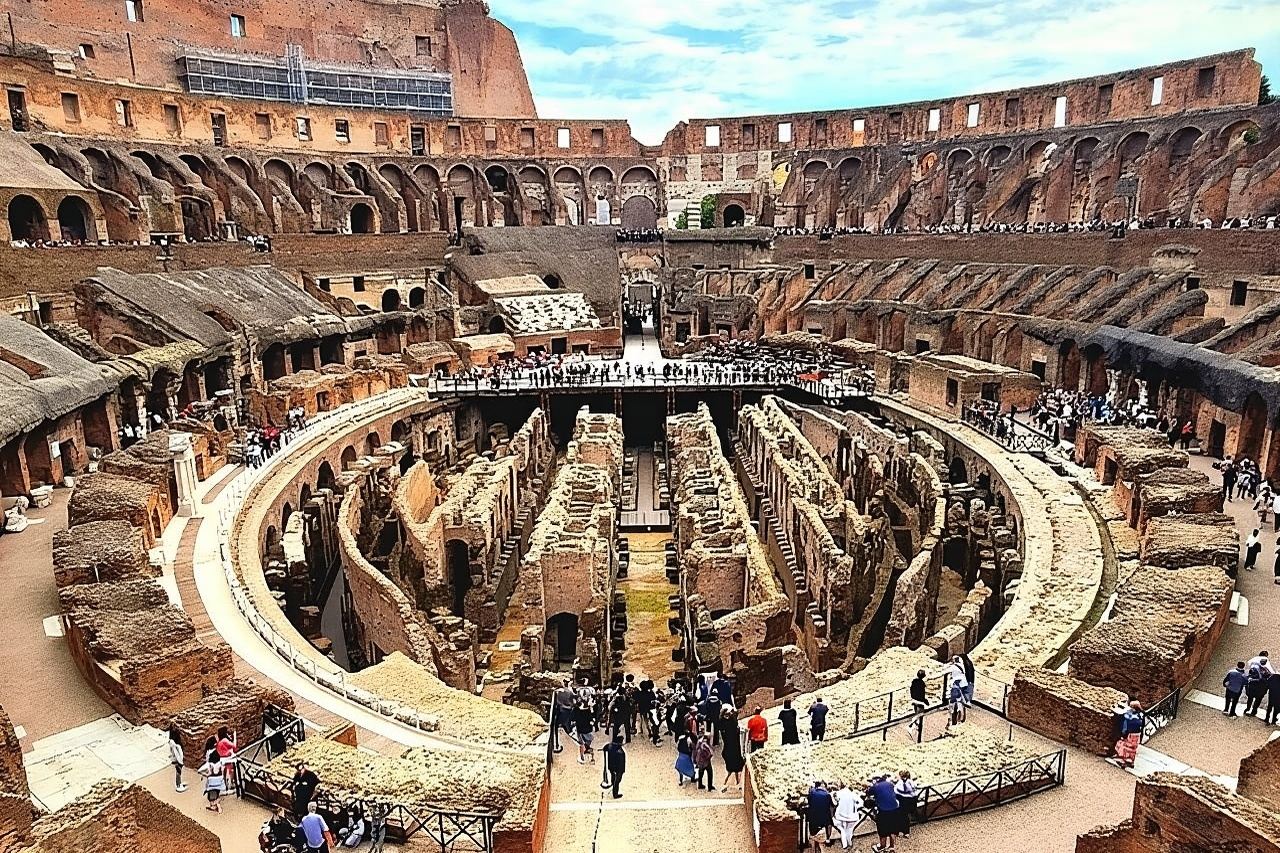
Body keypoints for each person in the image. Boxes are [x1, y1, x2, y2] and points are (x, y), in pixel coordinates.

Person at [867, 773, 900, 851]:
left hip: (883, 810)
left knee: (882, 828)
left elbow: (868, 792)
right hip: (895, 808)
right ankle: (892, 846)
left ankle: (882, 846)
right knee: (893, 827)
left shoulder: (875, 786)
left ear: (875, 780)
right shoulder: (890, 784)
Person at [719, 707, 745, 792]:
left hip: (729, 748)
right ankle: (735, 784)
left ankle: (730, 783)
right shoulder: (732, 722)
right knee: (736, 769)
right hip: (734, 748)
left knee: (731, 770)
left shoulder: (722, 723)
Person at [832, 780, 862, 850]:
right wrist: (855, 808)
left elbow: (834, 803)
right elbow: (861, 802)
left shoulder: (838, 793)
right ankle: (849, 842)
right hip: (852, 816)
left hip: (840, 816)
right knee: (849, 829)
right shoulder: (853, 794)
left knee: (842, 830)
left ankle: (845, 844)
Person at [805, 781, 835, 851]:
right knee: (829, 824)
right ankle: (828, 839)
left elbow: (808, 801)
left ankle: (811, 836)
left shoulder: (812, 793)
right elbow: (832, 805)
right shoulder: (827, 795)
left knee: (811, 818)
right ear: (824, 787)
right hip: (824, 817)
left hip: (813, 816)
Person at [1114, 701, 1144, 769]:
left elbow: (1126, 726)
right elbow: (1142, 726)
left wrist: (1123, 733)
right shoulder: (1140, 715)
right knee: (1132, 748)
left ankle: (1123, 761)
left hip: (1130, 734)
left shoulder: (1129, 716)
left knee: (1125, 746)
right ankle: (1131, 761)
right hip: (1137, 735)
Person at [552, 680, 576, 753]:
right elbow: (573, 703)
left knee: (555, 727)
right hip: (567, 711)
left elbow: (555, 703)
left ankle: (556, 745)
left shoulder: (556, 692)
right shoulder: (569, 692)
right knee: (568, 727)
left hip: (560, 711)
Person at [894, 770, 919, 837]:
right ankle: (906, 832)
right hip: (910, 801)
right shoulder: (911, 782)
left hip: (903, 801)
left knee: (902, 817)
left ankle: (900, 831)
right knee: (906, 817)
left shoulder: (901, 782)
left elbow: (897, 790)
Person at [575, 699, 596, 764]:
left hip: (580, 729)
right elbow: (592, 719)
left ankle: (582, 757)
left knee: (581, 744)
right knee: (589, 739)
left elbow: (573, 718)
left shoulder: (577, 711)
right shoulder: (588, 711)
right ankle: (586, 748)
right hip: (587, 729)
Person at [909, 669, 929, 738]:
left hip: (913, 699)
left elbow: (911, 690)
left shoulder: (914, 681)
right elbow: (922, 694)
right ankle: (911, 726)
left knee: (917, 713)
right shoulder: (922, 683)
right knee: (920, 714)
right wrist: (925, 701)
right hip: (919, 701)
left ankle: (915, 726)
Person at [168, 724, 187, 793]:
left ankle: (179, 783)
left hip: (176, 758)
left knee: (178, 772)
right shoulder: (175, 745)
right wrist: (180, 761)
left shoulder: (171, 740)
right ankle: (179, 785)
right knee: (178, 772)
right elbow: (177, 753)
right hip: (178, 759)